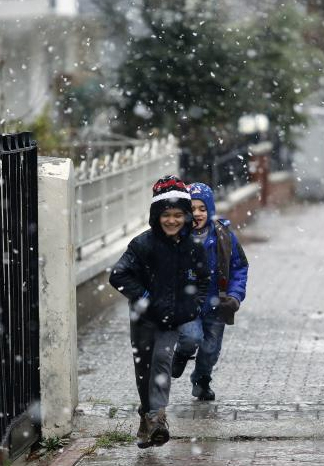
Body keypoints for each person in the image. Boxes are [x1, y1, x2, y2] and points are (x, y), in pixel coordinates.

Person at [109, 175, 209, 448]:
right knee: (144, 370)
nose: (173, 221)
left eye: (179, 215)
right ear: (157, 215)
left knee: (161, 364)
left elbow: (203, 279)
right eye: (167, 214)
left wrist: (196, 304)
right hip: (144, 319)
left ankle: (158, 419)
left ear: (186, 217)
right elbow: (118, 275)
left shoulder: (192, 248)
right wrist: (144, 296)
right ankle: (147, 415)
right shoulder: (143, 245)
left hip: (173, 320)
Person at [172, 182, 249, 401]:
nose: (197, 214)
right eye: (192, 209)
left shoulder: (224, 235)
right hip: (187, 304)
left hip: (217, 305)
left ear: (210, 210)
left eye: (202, 209)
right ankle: (180, 355)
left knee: (210, 350)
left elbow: (239, 267)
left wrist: (235, 295)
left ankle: (201, 380)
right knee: (191, 336)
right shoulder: (178, 237)